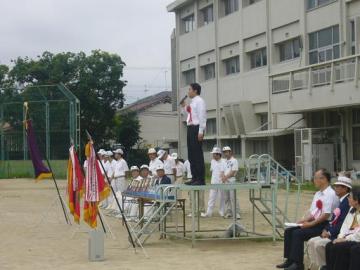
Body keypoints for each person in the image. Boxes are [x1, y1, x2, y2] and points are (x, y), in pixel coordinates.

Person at [276, 168, 339, 270]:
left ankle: (298, 264)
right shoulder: (318, 194)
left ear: (323, 179)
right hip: (316, 222)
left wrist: (310, 224)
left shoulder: (330, 194)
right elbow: (313, 212)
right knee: (289, 231)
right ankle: (290, 260)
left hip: (325, 225)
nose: (313, 180)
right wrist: (305, 220)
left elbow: (326, 215)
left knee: (298, 234)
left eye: (315, 178)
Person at [307, 176, 352, 269]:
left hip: (339, 234)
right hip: (332, 231)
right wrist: (326, 229)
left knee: (319, 244)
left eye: (339, 186)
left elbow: (343, 222)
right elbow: (333, 219)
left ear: (345, 188)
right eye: (335, 186)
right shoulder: (341, 200)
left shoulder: (347, 202)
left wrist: (330, 232)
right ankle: (320, 265)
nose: (336, 188)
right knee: (311, 241)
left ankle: (326, 266)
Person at [325, 186, 360, 270]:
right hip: (348, 237)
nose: (348, 198)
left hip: (356, 239)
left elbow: (358, 235)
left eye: (350, 197)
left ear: (357, 201)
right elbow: (345, 226)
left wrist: (345, 239)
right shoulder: (352, 209)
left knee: (341, 247)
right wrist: (340, 237)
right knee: (329, 245)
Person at [180, 83, 206, 186]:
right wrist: (183, 105)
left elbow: (202, 116)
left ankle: (200, 179)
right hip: (190, 127)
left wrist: (200, 131)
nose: (188, 91)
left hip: (196, 128)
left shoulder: (200, 101)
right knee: (191, 154)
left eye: (190, 89)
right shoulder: (192, 102)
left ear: (195, 91)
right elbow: (188, 113)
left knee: (197, 154)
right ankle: (194, 177)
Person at [201, 147, 226, 218]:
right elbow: (212, 171)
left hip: (221, 182)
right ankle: (209, 213)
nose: (213, 155)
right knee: (211, 197)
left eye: (214, 154)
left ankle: (222, 212)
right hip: (213, 182)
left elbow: (223, 172)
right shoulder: (212, 161)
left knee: (222, 198)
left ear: (218, 154)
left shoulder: (224, 161)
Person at [222, 146, 241, 219]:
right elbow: (222, 171)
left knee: (233, 197)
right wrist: (223, 177)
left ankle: (237, 213)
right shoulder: (224, 161)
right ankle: (229, 212)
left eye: (227, 152)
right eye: (224, 152)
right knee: (226, 198)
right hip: (225, 181)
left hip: (232, 180)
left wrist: (225, 177)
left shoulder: (234, 160)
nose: (225, 153)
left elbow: (233, 172)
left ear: (230, 152)